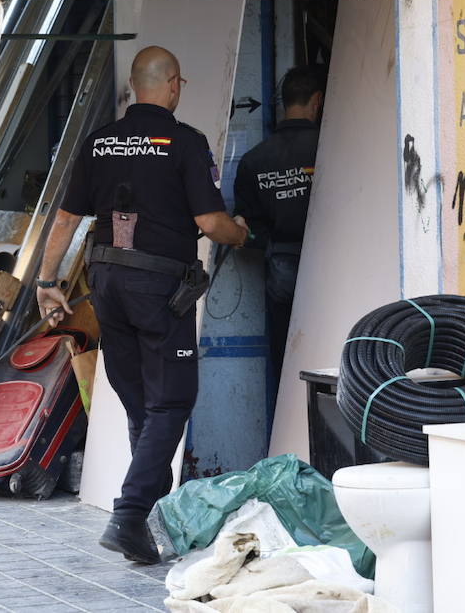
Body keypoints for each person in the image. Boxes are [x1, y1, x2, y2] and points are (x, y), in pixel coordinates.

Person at [35, 46, 249, 565]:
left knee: (140, 403)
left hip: (105, 281)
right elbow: (210, 222)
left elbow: (65, 220)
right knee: (171, 403)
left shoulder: (99, 142)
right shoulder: (184, 142)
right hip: (159, 289)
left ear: (134, 87)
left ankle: (149, 522)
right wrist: (242, 235)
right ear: (173, 84)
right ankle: (129, 516)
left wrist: (47, 282)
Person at [233, 64, 326, 411]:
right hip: (331, 267)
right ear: (317, 101)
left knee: (287, 358)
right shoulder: (331, 149)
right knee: (334, 353)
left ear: (285, 104)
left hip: (281, 267)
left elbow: (247, 228)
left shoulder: (254, 160)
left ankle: (289, 426)